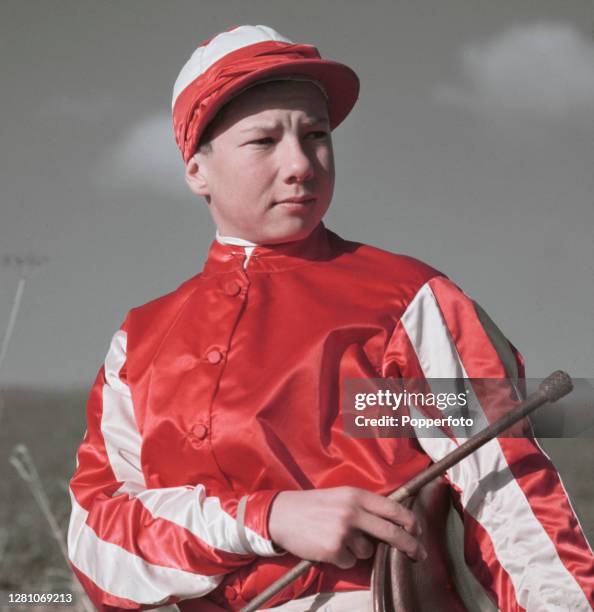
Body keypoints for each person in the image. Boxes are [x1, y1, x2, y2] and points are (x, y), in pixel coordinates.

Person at [67, 25, 594, 611]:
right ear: (196, 171)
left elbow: (508, 496)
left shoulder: (410, 300)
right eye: (264, 141)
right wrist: (267, 518)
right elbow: (97, 540)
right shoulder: (138, 342)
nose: (301, 164)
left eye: (315, 135)